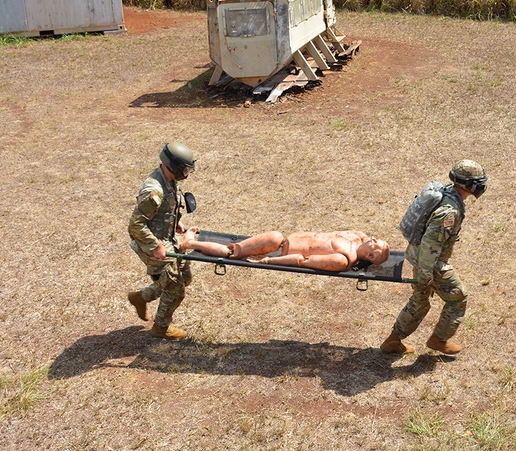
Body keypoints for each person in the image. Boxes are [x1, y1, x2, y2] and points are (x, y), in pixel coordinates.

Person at [381, 159, 488, 356]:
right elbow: (431, 244)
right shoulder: (449, 212)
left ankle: (393, 341)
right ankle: (439, 340)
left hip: (417, 256)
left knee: (420, 300)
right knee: (458, 299)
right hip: (430, 263)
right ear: (469, 185)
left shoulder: (447, 193)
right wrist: (425, 274)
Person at [127, 142, 197, 339]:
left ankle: (140, 297)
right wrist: (155, 246)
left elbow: (167, 208)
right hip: (150, 244)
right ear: (173, 165)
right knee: (176, 289)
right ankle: (160, 328)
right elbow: (136, 226)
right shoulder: (154, 190)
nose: (186, 172)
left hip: (166, 239)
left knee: (185, 277)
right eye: (184, 168)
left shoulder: (169, 179)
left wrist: (176, 223)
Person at [178, 228, 390, 272]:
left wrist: (268, 261)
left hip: (279, 249)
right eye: (376, 238)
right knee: (275, 237)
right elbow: (362, 235)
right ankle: (191, 242)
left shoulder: (344, 259)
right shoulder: (357, 236)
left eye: (375, 244)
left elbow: (302, 261)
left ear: (370, 256)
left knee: (230, 253)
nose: (373, 239)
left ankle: (190, 244)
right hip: (282, 241)